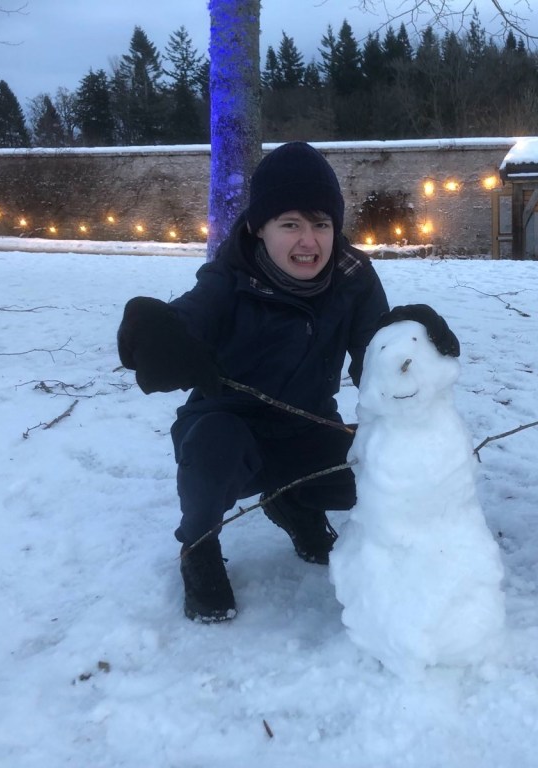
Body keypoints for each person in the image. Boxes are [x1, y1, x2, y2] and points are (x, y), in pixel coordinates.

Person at [116, 142, 389, 622]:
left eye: (321, 224)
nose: (309, 241)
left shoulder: (353, 278)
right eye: (291, 224)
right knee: (209, 455)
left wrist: (412, 350)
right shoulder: (229, 278)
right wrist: (160, 336)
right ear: (258, 227)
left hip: (309, 425)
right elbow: (190, 316)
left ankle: (293, 505)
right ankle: (199, 548)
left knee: (374, 474)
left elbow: (377, 356)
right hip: (228, 425)